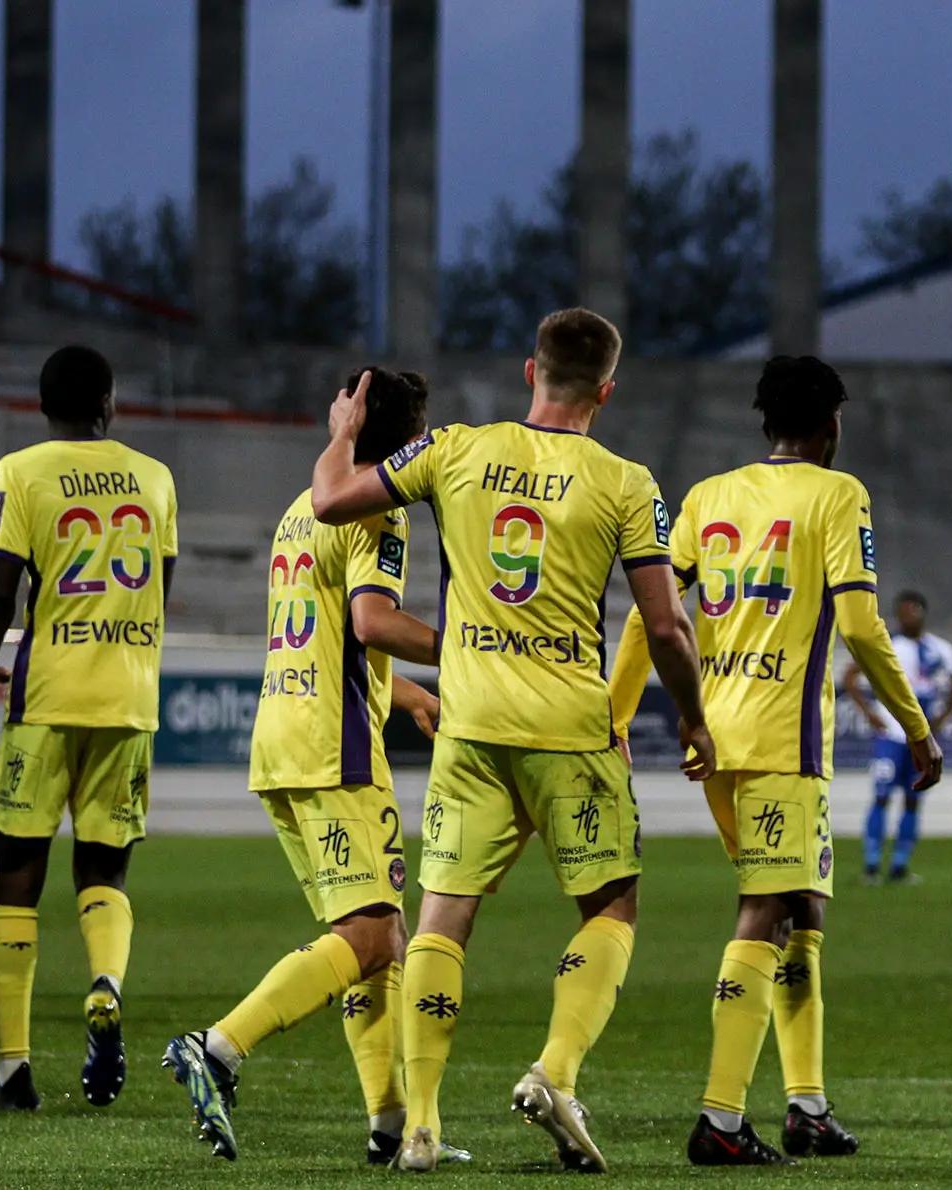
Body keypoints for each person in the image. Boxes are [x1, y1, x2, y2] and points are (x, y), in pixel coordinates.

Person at [308, 309, 715, 1173]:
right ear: (606, 391)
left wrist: (344, 433)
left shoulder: (454, 448)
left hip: (472, 722)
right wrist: (691, 715)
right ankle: (556, 1073)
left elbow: (331, 501)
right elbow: (666, 626)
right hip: (571, 725)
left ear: (531, 373)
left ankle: (418, 1125)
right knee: (610, 907)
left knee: (443, 922)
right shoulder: (625, 481)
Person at [609, 354, 941, 1164]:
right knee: (765, 910)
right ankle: (720, 1120)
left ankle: (807, 1106)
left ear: (765, 423)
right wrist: (917, 726)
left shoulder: (708, 496)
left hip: (715, 736)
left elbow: (649, 616)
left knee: (804, 909)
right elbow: (861, 627)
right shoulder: (838, 495)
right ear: (831, 425)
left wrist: (618, 715)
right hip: (781, 741)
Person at [162, 366, 465, 1166]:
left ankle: (390, 1123)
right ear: (410, 442)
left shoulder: (304, 509)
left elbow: (328, 629)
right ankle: (218, 1048)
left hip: (283, 740)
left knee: (374, 935)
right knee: (372, 936)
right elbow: (371, 620)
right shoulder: (378, 509)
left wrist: (406, 698)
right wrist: (470, 649)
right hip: (337, 751)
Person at [0, 345, 178, 1115]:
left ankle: (14, 1073)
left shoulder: (20, 472)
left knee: (17, 873)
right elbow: (160, 592)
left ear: (44, 405)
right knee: (104, 873)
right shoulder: (156, 477)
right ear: (108, 403)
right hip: (129, 701)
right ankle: (105, 984)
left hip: (46, 698)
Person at [844, 590, 952, 884]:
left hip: (921, 739)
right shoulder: (889, 645)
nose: (904, 617)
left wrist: (943, 716)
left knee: (913, 800)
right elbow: (850, 675)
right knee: (881, 796)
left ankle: (899, 865)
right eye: (900, 612)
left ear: (922, 612)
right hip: (891, 736)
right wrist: (869, 712)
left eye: (909, 611)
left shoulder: (940, 649)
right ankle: (871, 865)